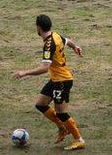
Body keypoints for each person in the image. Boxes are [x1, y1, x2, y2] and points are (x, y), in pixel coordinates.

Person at [13, 14, 86, 151]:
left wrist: (25, 73)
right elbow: (67, 40)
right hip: (56, 79)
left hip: (62, 81)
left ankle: (79, 139)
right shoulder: (55, 35)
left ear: (38, 27)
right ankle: (63, 128)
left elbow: (44, 68)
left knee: (61, 113)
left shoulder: (49, 44)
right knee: (40, 104)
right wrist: (75, 46)